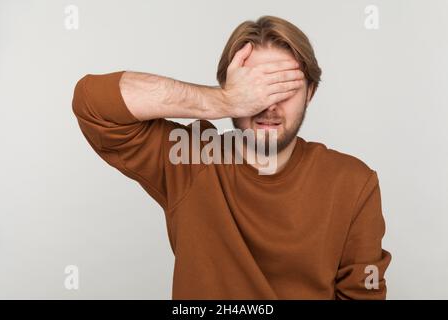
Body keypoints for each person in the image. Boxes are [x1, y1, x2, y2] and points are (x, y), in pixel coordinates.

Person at [72, 15, 391, 299]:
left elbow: (364, 295)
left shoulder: (353, 182)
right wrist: (223, 100)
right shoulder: (191, 157)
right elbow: (93, 104)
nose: (269, 105)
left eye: (284, 87)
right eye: (256, 87)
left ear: (310, 92)